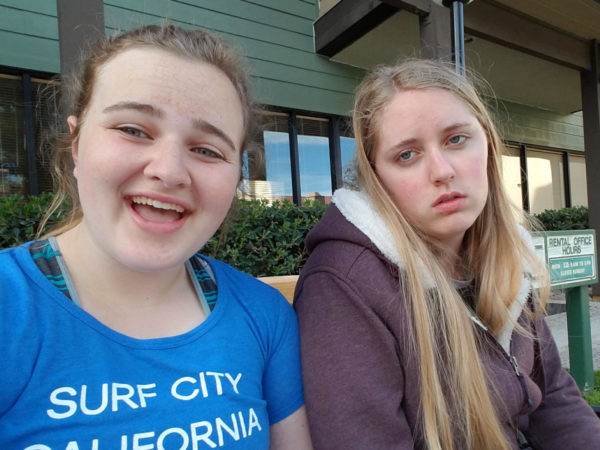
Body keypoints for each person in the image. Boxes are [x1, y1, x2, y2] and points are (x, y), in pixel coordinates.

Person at [0, 25, 312, 449]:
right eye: (133, 130)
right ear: (76, 144)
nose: (168, 171)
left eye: (207, 150)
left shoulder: (265, 316)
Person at [294, 59, 600, 450]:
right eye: (407, 155)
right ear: (377, 178)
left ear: (487, 143)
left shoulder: (507, 258)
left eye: (456, 139)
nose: (442, 171)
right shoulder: (343, 285)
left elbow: (553, 396)